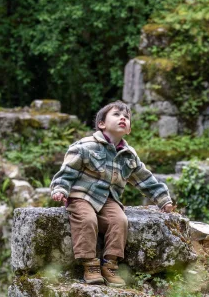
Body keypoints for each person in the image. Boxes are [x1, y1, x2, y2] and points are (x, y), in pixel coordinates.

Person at [50, 100, 173, 286]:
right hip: (82, 196)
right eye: (116, 114)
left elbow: (145, 180)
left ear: (129, 128)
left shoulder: (129, 155)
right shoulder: (85, 146)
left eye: (127, 117)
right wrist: (60, 188)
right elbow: (68, 171)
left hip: (109, 199)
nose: (122, 118)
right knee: (87, 220)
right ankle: (90, 264)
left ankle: (110, 264)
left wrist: (163, 200)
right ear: (102, 124)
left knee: (120, 221)